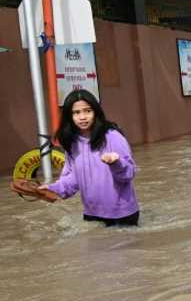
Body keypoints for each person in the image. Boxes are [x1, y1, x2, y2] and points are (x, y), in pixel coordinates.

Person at [41, 89, 140, 227]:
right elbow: (73, 178)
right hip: (92, 214)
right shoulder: (72, 143)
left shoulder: (112, 136)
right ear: (69, 116)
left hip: (122, 215)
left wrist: (116, 162)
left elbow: (129, 173)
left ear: (96, 112)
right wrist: (52, 189)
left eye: (88, 111)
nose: (82, 117)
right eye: (76, 113)